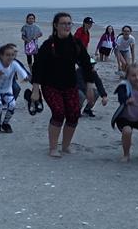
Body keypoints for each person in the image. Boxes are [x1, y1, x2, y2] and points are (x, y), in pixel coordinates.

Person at [30, 12, 97, 158]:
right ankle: (53, 148)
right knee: (59, 113)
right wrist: (35, 89)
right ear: (56, 25)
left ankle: (66, 146)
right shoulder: (48, 45)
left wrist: (90, 85)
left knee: (74, 114)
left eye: (69, 23)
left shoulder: (76, 43)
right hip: (50, 85)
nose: (67, 26)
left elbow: (86, 64)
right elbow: (38, 68)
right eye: (63, 23)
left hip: (70, 85)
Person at [0, 44, 31, 134]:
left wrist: (25, 77)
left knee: (12, 105)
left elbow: (21, 71)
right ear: (1, 56)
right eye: (7, 55)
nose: (10, 57)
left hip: (7, 90)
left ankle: (5, 123)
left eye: (12, 55)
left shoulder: (14, 64)